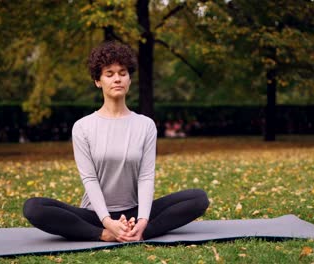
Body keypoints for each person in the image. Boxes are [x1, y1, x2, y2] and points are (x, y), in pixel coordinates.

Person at [23, 41, 209, 242]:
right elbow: (90, 179)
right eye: (109, 74)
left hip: (135, 213)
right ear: (98, 81)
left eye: (122, 73)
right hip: (94, 215)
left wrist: (143, 220)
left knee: (198, 198)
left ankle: (140, 233)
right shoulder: (83, 127)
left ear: (129, 79)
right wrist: (107, 223)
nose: (117, 79)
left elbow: (146, 177)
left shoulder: (145, 125)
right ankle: (105, 236)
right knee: (33, 207)